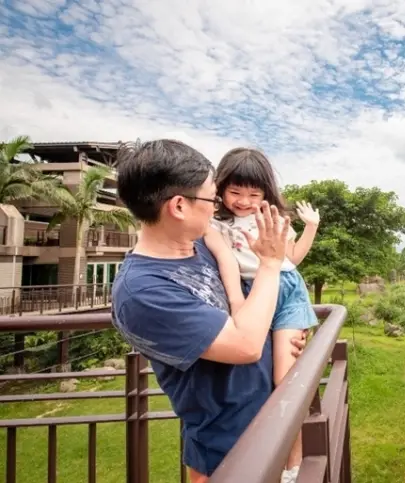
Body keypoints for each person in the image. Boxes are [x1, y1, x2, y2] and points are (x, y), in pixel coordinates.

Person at [110, 139, 307, 483]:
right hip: (225, 444)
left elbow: (250, 304)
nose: (219, 206)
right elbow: (245, 345)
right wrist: (271, 264)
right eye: (212, 197)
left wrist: (282, 333)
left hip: (266, 419)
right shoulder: (144, 292)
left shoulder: (200, 246)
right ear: (179, 206)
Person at [203, 147, 320, 483]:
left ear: (266, 193)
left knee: (285, 379)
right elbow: (226, 260)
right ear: (221, 188)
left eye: (253, 194)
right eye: (235, 192)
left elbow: (292, 259)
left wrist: (311, 226)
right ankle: (265, 460)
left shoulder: (274, 219)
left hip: (288, 290)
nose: (243, 201)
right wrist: (237, 301)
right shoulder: (215, 225)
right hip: (254, 293)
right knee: (262, 380)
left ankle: (292, 467)